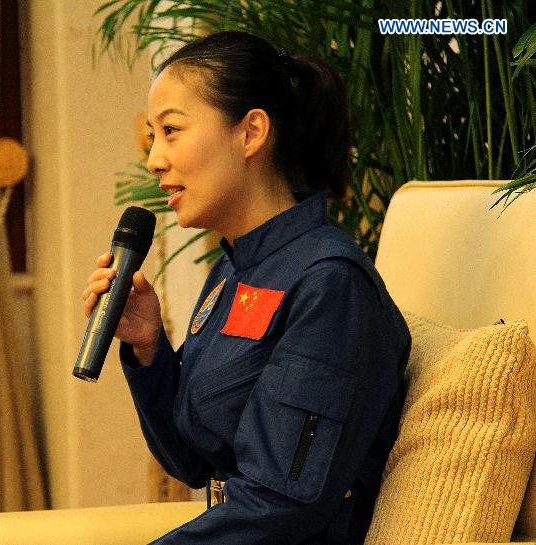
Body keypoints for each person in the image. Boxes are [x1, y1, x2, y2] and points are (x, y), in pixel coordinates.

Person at [82, 31, 410, 544]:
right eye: (154, 137)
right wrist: (149, 347)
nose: (154, 161)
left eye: (171, 131)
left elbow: (282, 501)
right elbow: (195, 462)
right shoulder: (233, 272)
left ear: (252, 132)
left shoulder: (329, 285)